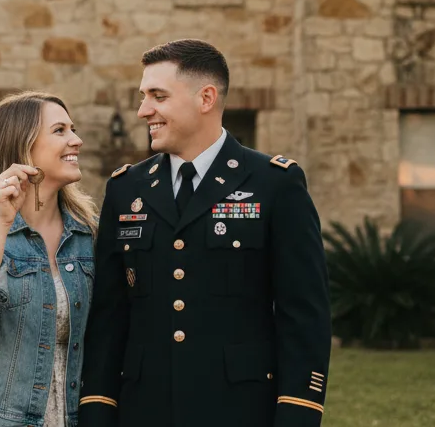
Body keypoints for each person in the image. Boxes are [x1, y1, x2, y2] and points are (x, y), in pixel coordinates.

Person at [78, 39, 332, 427]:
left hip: (240, 410)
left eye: (158, 96)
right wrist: (97, 408)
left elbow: (304, 316)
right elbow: (110, 318)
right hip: (143, 411)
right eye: (143, 96)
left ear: (206, 98)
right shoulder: (126, 188)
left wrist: (297, 413)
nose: (144, 110)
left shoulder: (274, 183)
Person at [0, 91, 98, 427]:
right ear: (23, 147)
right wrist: (2, 223)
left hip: (70, 415)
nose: (76, 140)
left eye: (73, 129)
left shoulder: (87, 234)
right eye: (60, 131)